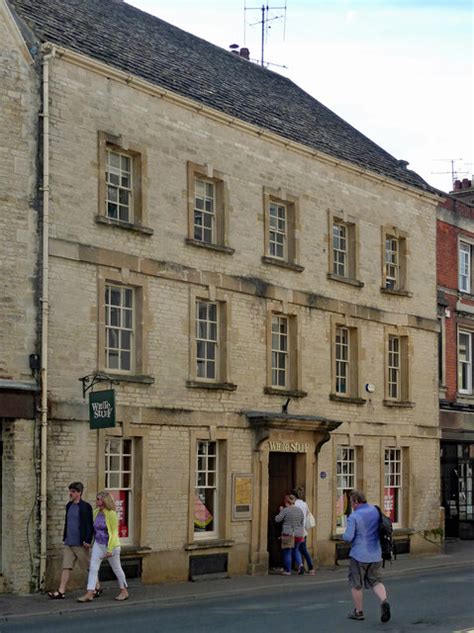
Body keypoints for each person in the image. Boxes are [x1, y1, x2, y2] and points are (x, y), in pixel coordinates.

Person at [343, 490, 391, 623]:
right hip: (376, 553)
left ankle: (358, 611)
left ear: (356, 501)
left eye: (352, 502)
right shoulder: (375, 510)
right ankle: (384, 601)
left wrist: (343, 535)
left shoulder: (354, 516)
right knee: (376, 581)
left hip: (359, 555)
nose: (351, 505)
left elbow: (348, 537)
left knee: (356, 584)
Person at [77, 491, 129, 602]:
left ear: (104, 501)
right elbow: (93, 530)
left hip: (112, 545)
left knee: (117, 568)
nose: (97, 501)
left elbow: (114, 533)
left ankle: (124, 590)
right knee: (93, 568)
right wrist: (89, 541)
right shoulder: (96, 512)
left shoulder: (112, 514)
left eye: (98, 499)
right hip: (98, 544)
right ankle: (90, 592)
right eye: (97, 499)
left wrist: (110, 550)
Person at [47, 481, 93, 599]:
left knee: (89, 566)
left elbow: (89, 525)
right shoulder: (69, 505)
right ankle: (61, 591)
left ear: (79, 493)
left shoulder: (85, 506)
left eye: (73, 491)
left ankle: (97, 586)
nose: (70, 494)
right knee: (66, 566)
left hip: (80, 543)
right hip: (69, 541)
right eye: (70, 491)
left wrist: (87, 540)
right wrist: (65, 537)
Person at [274, 494, 305, 576]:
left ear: (286, 502)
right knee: (296, 550)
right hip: (299, 533)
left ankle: (287, 570)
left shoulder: (286, 510)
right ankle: (300, 565)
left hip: (288, 533)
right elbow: (302, 522)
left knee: (287, 551)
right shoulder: (299, 510)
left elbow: (277, 519)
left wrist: (280, 511)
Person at [292, 487, 315, 575]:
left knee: (295, 549)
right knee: (304, 549)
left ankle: (300, 566)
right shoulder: (304, 504)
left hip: (295, 530)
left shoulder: (294, 505)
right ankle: (311, 568)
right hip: (303, 530)